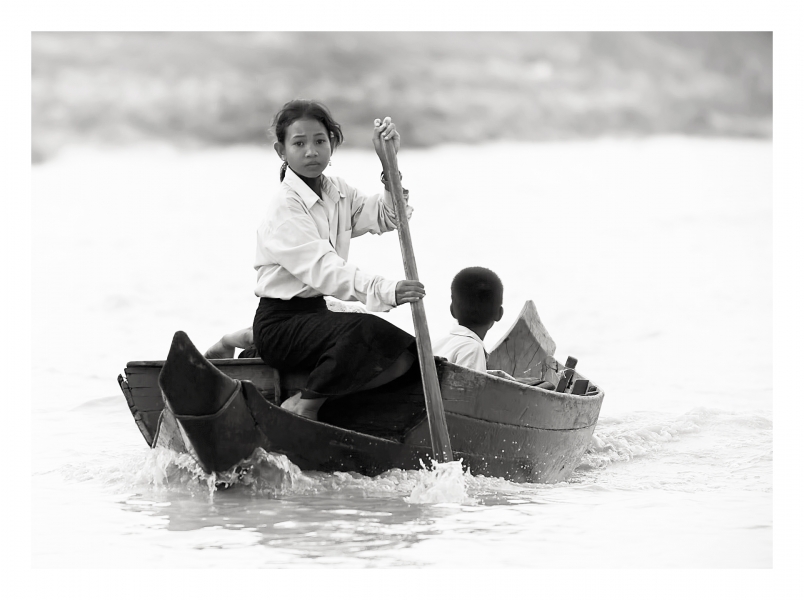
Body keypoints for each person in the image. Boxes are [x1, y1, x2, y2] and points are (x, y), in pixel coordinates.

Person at [250, 99, 425, 421]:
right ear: (281, 151)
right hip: (282, 324)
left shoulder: (338, 192)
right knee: (368, 332)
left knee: (404, 356)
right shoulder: (284, 209)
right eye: (299, 143)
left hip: (314, 315)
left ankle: (326, 402)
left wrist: (389, 164)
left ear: (333, 143)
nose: (311, 151)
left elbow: (390, 216)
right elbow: (325, 269)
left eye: (319, 141)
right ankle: (306, 406)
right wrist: (386, 290)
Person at [433, 267, 555, 389]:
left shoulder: (435, 345)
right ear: (499, 314)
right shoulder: (472, 349)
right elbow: (467, 397)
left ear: (452, 310)